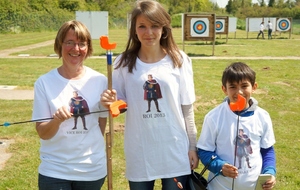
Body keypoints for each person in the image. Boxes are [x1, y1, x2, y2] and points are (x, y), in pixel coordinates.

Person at [100, 0, 199, 189]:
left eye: (154, 26)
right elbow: (120, 104)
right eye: (142, 26)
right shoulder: (123, 62)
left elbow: (187, 109)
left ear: (164, 28)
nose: (149, 32)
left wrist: (192, 147)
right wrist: (111, 102)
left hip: (174, 151)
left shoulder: (180, 60)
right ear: (134, 29)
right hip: (140, 152)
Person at [32, 20, 108, 190]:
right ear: (60, 45)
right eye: (70, 43)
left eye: (82, 44)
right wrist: (56, 121)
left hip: (91, 170)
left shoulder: (100, 80)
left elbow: (101, 124)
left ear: (88, 48)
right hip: (55, 171)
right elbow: (43, 133)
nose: (76, 49)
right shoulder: (44, 83)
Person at [197, 62, 276, 190]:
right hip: (220, 187)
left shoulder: (263, 116)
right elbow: (204, 150)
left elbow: (267, 149)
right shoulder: (213, 117)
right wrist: (220, 166)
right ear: (224, 89)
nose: (239, 92)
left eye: (244, 86)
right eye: (232, 87)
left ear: (254, 87)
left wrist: (270, 172)